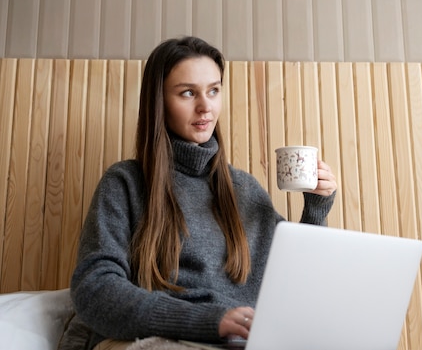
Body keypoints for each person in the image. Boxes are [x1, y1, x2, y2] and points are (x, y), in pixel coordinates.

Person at [60, 36, 337, 350]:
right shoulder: (125, 183)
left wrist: (317, 208)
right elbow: (95, 290)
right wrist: (208, 321)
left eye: (214, 90)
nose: (206, 106)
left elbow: (296, 288)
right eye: (188, 92)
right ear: (159, 101)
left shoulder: (244, 190)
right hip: (159, 340)